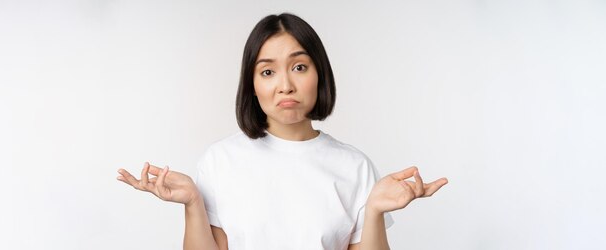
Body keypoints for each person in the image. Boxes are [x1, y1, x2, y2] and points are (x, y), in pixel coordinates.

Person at [116, 13, 448, 250]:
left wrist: (374, 209)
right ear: (252, 84)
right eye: (268, 71)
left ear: (320, 75)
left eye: (299, 67)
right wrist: (192, 203)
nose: (285, 85)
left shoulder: (354, 166)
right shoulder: (220, 161)